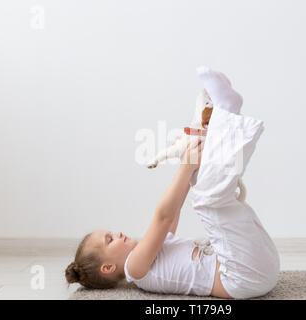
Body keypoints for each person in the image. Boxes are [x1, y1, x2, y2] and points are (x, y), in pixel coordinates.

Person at [65, 67, 280, 299]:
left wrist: (190, 170)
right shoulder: (135, 270)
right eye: (110, 239)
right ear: (108, 268)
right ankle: (227, 113)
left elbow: (174, 208)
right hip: (241, 278)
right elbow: (163, 216)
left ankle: (224, 117)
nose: (117, 234)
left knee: (202, 184)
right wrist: (184, 168)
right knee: (208, 201)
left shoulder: (152, 250)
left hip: (256, 267)